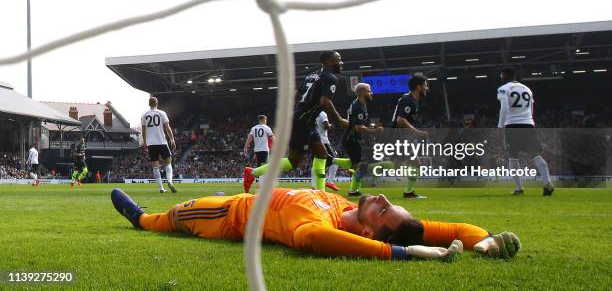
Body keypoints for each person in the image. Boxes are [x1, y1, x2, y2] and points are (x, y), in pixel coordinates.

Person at [111, 187, 520, 260]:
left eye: (381, 211)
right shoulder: (348, 207)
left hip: (226, 214)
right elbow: (453, 230)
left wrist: (400, 253)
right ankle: (141, 213)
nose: (380, 199)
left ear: (368, 232)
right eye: (388, 204)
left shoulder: (314, 223)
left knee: (158, 221)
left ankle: (138, 216)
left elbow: (311, 239)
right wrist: (484, 242)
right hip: (242, 198)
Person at [243, 51, 349, 192]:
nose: (341, 63)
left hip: (306, 121)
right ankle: (252, 173)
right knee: (293, 161)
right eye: (338, 60)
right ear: (328, 61)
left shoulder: (312, 75)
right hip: (303, 122)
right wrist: (340, 120)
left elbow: (296, 93)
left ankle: (319, 192)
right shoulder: (330, 77)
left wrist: (294, 111)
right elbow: (325, 101)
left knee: (322, 155)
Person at [497, 68, 554, 196]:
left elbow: (504, 107)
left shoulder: (503, 89)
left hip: (512, 125)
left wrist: (500, 126)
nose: (501, 78)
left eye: (501, 76)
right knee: (535, 154)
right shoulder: (527, 89)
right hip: (528, 124)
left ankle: (519, 188)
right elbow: (532, 107)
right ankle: (547, 183)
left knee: (512, 156)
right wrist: (530, 122)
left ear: (504, 76)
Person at [340, 83, 383, 196]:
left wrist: (373, 128)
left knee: (357, 165)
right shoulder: (358, 106)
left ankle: (354, 190)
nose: (371, 93)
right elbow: (359, 128)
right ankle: (331, 161)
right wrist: (375, 130)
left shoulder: (361, 105)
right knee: (360, 165)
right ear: (362, 92)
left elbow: (359, 124)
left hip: (353, 139)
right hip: (351, 139)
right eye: (369, 91)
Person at [391, 74, 429, 199]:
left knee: (399, 163)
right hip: (399, 137)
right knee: (416, 164)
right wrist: (416, 131)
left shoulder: (411, 100)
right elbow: (400, 119)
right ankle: (408, 192)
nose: (426, 88)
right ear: (418, 87)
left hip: (400, 136)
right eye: (425, 85)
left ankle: (408, 191)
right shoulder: (408, 100)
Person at [141, 97, 177, 194]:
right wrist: (172, 140)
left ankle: (161, 188)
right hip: (162, 141)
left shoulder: (144, 115)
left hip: (151, 144)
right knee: (168, 162)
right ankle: (170, 182)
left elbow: (143, 131)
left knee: (155, 166)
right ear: (157, 103)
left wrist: (145, 142)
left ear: (149, 104)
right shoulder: (162, 113)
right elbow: (168, 129)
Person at [314, 111, 340, 191]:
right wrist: (331, 125)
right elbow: (326, 126)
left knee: (320, 162)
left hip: (316, 140)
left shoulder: (314, 113)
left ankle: (315, 185)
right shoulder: (322, 113)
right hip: (323, 141)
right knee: (335, 159)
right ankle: (329, 181)